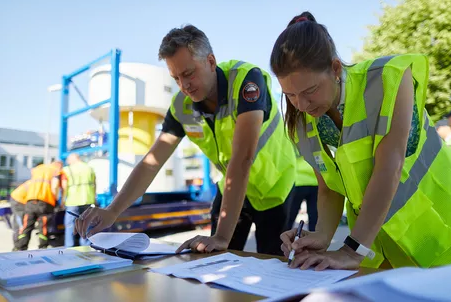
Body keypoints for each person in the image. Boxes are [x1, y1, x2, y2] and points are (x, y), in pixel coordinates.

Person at [75, 24, 297, 256]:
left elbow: (242, 159)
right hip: (231, 189)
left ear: (211, 62)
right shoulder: (181, 106)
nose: (184, 85)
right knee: (214, 260)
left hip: (274, 188)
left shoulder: (246, 81)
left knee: (270, 264)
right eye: (176, 78)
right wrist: (113, 211)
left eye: (189, 73)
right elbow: (151, 163)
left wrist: (222, 237)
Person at [272, 11, 451, 270]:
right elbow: (329, 187)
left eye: (310, 91)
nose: (301, 104)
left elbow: (389, 168)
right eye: (290, 95)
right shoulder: (302, 121)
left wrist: (351, 251)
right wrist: (321, 236)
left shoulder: (387, 78)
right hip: (378, 247)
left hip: (444, 231)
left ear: (335, 68)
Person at [16, 161, 63, 250]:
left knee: (26, 226)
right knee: (43, 226)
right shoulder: (56, 170)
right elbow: (55, 186)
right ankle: (42, 248)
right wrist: (56, 200)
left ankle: (20, 248)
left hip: (30, 201)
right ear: (59, 166)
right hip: (45, 202)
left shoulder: (38, 168)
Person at [58, 153, 96, 247]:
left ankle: (69, 247)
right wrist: (94, 198)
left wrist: (62, 200)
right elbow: (94, 183)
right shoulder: (89, 168)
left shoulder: (67, 169)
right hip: (87, 199)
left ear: (72, 159)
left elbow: (64, 186)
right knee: (86, 224)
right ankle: (86, 247)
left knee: (70, 225)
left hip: (72, 201)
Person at [286, 151, 318, 231]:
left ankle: (283, 240)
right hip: (315, 181)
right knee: (314, 216)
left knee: (290, 215)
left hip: (299, 181)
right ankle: (313, 240)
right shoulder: (315, 140)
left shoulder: (296, 140)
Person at [9, 180, 30, 250]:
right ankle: (18, 246)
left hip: (18, 199)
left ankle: (18, 246)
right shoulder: (37, 183)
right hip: (18, 201)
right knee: (20, 224)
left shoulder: (35, 181)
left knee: (19, 222)